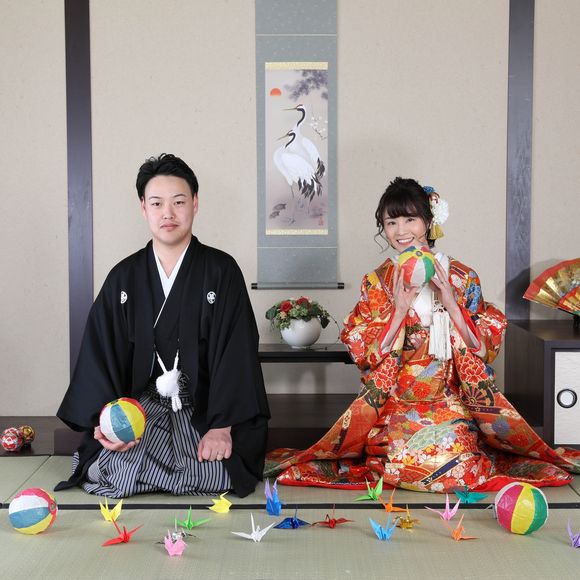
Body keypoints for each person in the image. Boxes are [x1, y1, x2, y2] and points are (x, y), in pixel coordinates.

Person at [265, 177, 580, 492]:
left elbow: (485, 349)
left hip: (449, 400)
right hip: (397, 402)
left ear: (429, 222)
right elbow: (364, 353)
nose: (400, 230)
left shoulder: (462, 276)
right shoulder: (376, 281)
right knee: (397, 466)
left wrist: (452, 304)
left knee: (461, 470)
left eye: (410, 219)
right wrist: (399, 310)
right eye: (391, 222)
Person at [56, 153, 270, 498]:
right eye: (156, 203)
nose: (167, 213)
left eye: (178, 202)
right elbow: (100, 353)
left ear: (195, 203)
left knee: (216, 467)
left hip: (205, 407)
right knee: (116, 470)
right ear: (143, 208)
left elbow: (237, 352)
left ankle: (206, 443)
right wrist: (107, 423)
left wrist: (222, 427)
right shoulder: (123, 277)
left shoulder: (221, 271)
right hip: (143, 407)